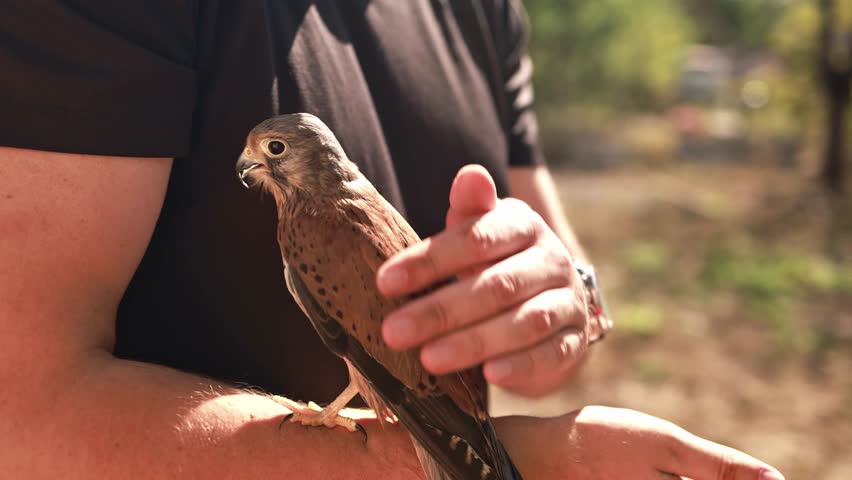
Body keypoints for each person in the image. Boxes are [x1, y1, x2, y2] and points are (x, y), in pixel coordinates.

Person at [0, 1, 784, 479]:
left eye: (270, 153)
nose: (257, 164)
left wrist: (565, 300)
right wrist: (482, 469)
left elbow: (566, 277)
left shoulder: (482, 8)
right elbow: (17, 417)